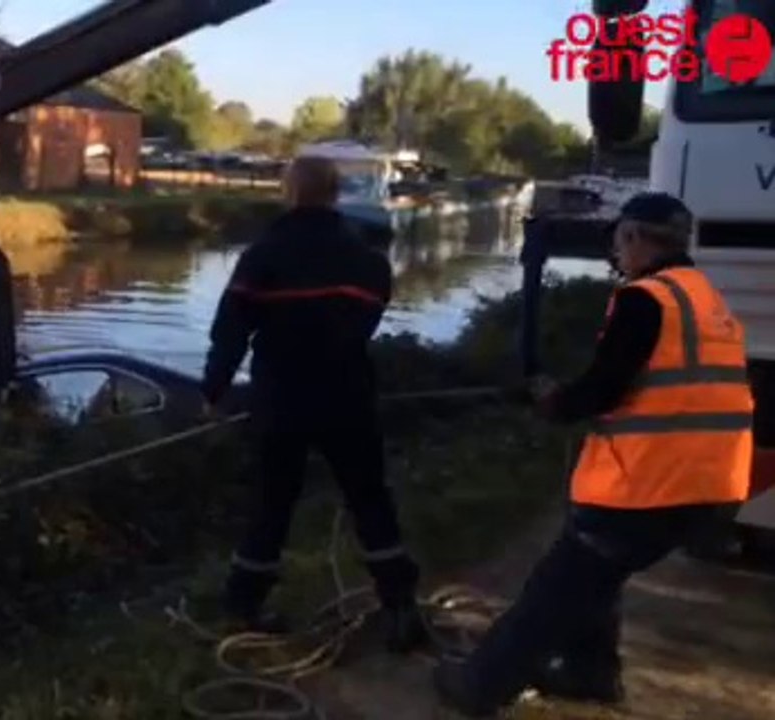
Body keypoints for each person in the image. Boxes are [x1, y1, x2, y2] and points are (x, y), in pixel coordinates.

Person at [433, 192, 754, 716]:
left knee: (557, 586)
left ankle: (481, 684)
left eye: (619, 241)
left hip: (652, 482)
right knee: (598, 573)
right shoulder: (706, 299)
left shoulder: (644, 298)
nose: (616, 253)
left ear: (633, 237)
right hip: (711, 482)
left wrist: (555, 402)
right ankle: (591, 672)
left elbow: (606, 387)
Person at [199, 155, 429, 652]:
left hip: (280, 396)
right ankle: (400, 609)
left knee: (272, 503)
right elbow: (366, 319)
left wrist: (214, 390)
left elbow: (231, 328)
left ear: (289, 192)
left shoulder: (264, 253)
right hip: (348, 394)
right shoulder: (368, 261)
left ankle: (243, 606)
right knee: (370, 500)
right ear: (335, 193)